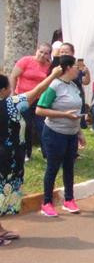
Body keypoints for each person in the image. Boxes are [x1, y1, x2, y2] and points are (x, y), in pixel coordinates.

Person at [0, 64, 62, 239]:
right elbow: (37, 91)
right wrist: (53, 75)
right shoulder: (11, 105)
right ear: (4, 90)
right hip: (7, 157)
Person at [36, 56, 86, 217]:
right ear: (68, 68)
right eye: (76, 67)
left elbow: (77, 113)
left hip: (71, 134)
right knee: (52, 168)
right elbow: (40, 110)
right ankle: (47, 202)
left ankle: (69, 200)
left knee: (69, 167)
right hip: (54, 133)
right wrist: (63, 114)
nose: (78, 69)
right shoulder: (54, 86)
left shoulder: (73, 86)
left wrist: (79, 132)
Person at [10, 43, 53, 159]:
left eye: (46, 53)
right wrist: (13, 93)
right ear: (37, 50)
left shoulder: (49, 66)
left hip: (40, 100)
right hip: (23, 98)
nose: (43, 55)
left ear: (49, 55)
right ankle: (25, 153)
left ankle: (47, 154)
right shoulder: (25, 61)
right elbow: (13, 76)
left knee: (42, 126)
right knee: (26, 126)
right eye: (41, 52)